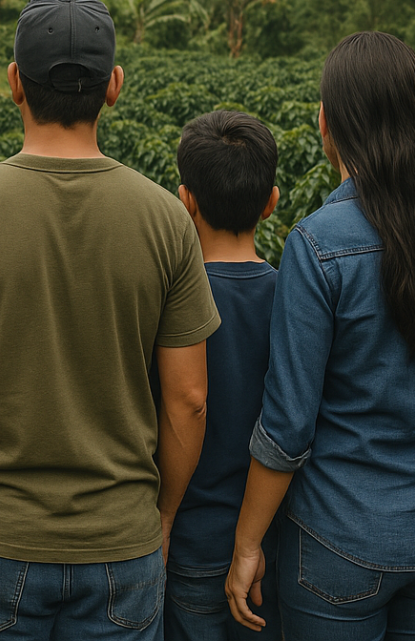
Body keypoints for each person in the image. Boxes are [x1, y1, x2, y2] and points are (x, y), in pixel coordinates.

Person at [0, 0, 220, 640]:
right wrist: (163, 517)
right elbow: (189, 400)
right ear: (114, 85)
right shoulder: (167, 221)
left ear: (13, 82)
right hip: (120, 544)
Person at [224, 32, 415, 641]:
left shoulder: (317, 244)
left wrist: (248, 545)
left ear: (328, 123)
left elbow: (287, 426)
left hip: (337, 542)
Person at [165, 111, 282, 641]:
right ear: (271, 201)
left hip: (192, 539)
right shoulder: (295, 298)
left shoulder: (170, 304)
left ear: (185, 199)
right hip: (272, 539)